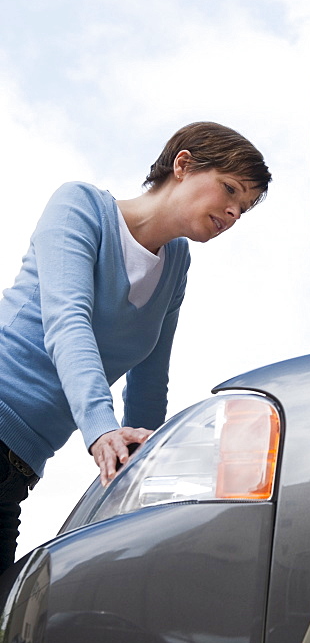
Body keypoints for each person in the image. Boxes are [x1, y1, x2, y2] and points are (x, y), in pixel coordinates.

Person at [0, 120, 271, 572]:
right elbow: (68, 322)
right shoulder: (80, 206)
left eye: (243, 208)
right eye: (229, 190)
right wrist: (102, 430)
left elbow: (149, 379)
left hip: (18, 469)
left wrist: (146, 471)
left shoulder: (175, 266)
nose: (233, 214)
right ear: (182, 165)